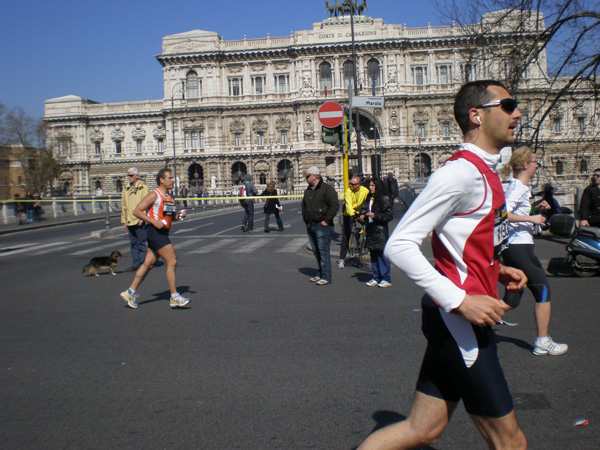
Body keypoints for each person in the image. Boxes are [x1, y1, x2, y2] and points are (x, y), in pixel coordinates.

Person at [358, 80, 529, 450]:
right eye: (508, 105)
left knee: (422, 431)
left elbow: (462, 240)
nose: (518, 113)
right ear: (476, 115)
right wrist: (460, 300)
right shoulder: (459, 173)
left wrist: (497, 268)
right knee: (512, 443)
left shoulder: (486, 170)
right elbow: (399, 244)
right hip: (459, 321)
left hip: (459, 316)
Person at [500, 147, 568, 355]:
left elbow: (514, 210)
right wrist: (531, 218)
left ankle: (474, 320)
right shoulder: (518, 187)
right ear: (525, 165)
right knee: (543, 291)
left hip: (514, 247)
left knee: (513, 296)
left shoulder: (518, 187)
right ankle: (542, 341)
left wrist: (534, 209)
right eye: (535, 162)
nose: (537, 165)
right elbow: (503, 213)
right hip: (519, 247)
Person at [120, 168, 189, 309]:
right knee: (172, 261)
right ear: (161, 180)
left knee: (148, 264)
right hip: (154, 232)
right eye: (169, 178)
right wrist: (152, 221)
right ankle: (174, 296)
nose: (172, 180)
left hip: (163, 232)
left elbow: (170, 217)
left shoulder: (169, 197)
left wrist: (180, 216)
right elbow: (137, 211)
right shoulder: (154, 195)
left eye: (172, 178)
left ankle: (130, 291)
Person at [301, 166, 339, 286]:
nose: (306, 178)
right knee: (317, 252)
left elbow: (334, 206)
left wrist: (326, 221)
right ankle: (321, 273)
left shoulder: (327, 189)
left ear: (314, 176)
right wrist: (306, 220)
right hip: (311, 224)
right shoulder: (308, 190)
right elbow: (304, 206)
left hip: (322, 225)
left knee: (323, 252)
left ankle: (326, 276)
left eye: (308, 176)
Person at [359, 178, 393, 287]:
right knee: (373, 253)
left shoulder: (383, 199)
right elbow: (366, 209)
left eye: (373, 185)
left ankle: (385, 278)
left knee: (381, 254)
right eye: (370, 185)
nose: (370, 187)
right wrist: (363, 215)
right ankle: (376, 276)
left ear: (378, 186)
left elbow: (389, 215)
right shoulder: (370, 198)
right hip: (371, 229)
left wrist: (376, 216)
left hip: (380, 230)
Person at [121, 167, 149, 272]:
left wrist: (143, 218)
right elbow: (124, 206)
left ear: (136, 176)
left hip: (139, 220)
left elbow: (146, 203)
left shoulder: (143, 188)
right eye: (128, 175)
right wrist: (124, 220)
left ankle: (143, 263)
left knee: (141, 242)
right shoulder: (126, 188)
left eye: (131, 175)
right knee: (133, 243)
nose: (129, 177)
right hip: (129, 219)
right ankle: (135, 263)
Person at [338, 175, 369, 268]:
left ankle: (366, 245)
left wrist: (366, 212)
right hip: (348, 213)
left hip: (359, 211)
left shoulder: (365, 191)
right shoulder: (348, 191)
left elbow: (369, 202)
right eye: (350, 183)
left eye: (352, 184)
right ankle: (342, 259)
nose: (350, 185)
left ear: (358, 185)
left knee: (370, 226)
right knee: (345, 235)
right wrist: (352, 215)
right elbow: (348, 204)